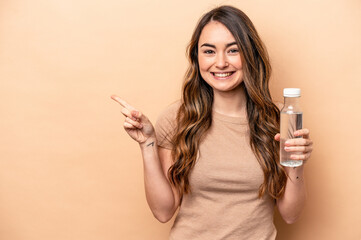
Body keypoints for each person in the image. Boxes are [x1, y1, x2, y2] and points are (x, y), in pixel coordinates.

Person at [111, 5, 313, 240]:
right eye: (209, 51)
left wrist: (296, 164)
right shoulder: (177, 118)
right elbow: (163, 211)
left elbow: (290, 214)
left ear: (250, 54)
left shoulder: (280, 117)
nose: (220, 63)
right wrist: (147, 145)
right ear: (197, 58)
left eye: (233, 50)